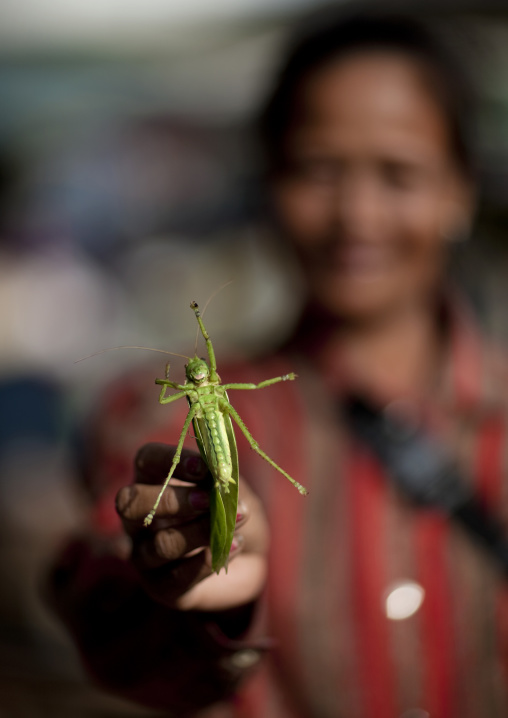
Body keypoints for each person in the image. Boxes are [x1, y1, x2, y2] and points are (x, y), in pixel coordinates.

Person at [50, 9, 508, 718]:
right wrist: (166, 573)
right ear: (270, 184)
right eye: (316, 170)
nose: (356, 214)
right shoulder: (154, 410)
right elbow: (101, 584)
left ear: (460, 188)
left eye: (398, 173)